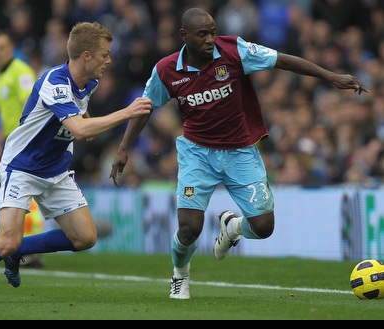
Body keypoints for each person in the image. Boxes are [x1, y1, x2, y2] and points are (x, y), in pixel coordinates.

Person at [109, 7, 369, 300]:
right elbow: (145, 107)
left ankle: (231, 227)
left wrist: (330, 76)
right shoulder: (167, 70)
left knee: (263, 227)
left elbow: (281, 60)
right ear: (184, 36)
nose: (210, 39)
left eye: (213, 32)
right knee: (189, 228)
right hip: (197, 154)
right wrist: (123, 148)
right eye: (202, 34)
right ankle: (180, 274)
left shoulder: (234, 51)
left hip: (240, 152)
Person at [0, 21, 152, 305]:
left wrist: (87, 121)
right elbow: (79, 130)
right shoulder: (53, 82)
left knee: (85, 239)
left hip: (56, 169)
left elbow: (80, 117)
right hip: (22, 166)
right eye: (105, 54)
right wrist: (126, 112)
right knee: (6, 241)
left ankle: (19, 252)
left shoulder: (89, 83)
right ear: (86, 56)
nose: (109, 60)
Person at [0, 28, 45, 268]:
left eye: (1, 48)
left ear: (11, 48)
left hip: (26, 139)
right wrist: (1, 141)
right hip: (13, 140)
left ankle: (27, 248)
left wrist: (20, 139)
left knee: (24, 194)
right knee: (24, 195)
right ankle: (23, 247)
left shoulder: (20, 71)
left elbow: (29, 105)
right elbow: (9, 114)